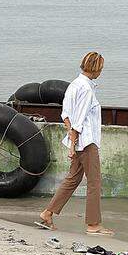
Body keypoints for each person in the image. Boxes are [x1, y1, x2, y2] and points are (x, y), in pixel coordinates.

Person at [36, 51, 114, 236]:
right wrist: (73, 144)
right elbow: (78, 121)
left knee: (73, 179)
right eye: (101, 68)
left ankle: (47, 213)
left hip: (79, 142)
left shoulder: (74, 84)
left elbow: (66, 115)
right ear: (96, 69)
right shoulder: (86, 89)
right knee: (94, 182)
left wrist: (72, 142)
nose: (101, 72)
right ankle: (93, 224)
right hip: (87, 142)